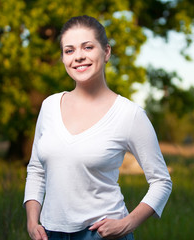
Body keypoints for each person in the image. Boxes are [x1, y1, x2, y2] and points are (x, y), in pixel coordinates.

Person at [23, 15, 172, 240]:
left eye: (88, 47)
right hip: (49, 233)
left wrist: (127, 223)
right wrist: (32, 221)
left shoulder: (129, 114)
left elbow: (161, 181)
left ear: (106, 52)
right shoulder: (50, 106)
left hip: (102, 235)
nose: (79, 56)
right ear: (63, 58)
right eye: (69, 50)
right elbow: (36, 170)